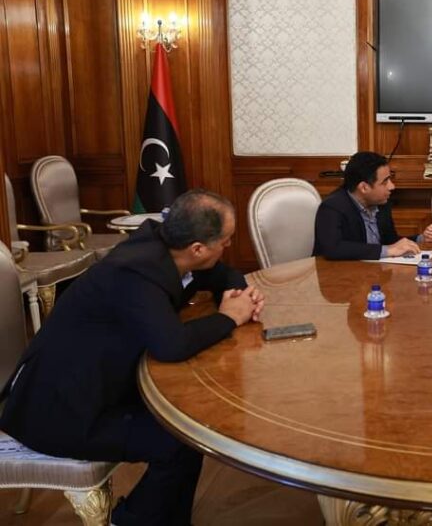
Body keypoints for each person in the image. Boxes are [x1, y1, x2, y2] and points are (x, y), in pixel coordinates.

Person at [0, 189, 265, 526]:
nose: (227, 246)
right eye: (225, 241)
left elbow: (220, 273)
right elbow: (172, 346)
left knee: (190, 426)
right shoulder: (135, 274)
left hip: (93, 387)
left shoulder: (163, 247)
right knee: (177, 440)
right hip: (59, 411)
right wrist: (229, 317)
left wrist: (237, 292)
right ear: (198, 248)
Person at [314, 151, 432, 260]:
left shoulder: (381, 203)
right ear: (364, 187)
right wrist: (386, 251)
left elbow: (391, 242)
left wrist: (421, 239)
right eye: (385, 182)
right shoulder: (332, 207)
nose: (392, 186)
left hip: (373, 273)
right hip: (337, 275)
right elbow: (333, 248)